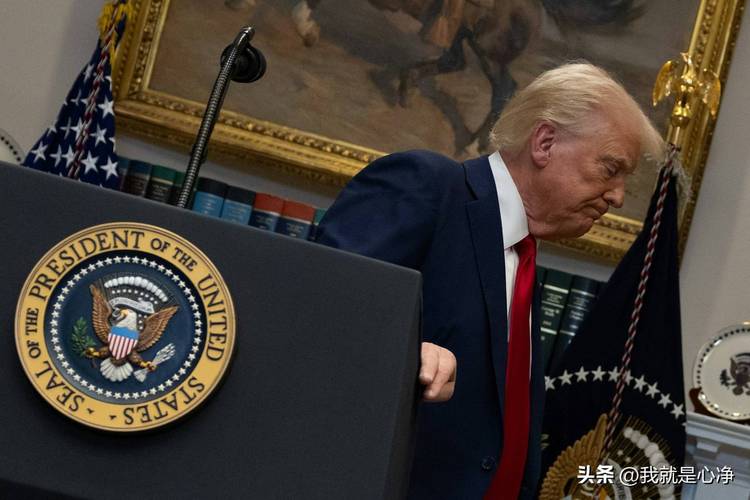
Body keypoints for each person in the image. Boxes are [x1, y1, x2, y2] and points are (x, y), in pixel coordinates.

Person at [316, 62, 663, 499]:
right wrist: (405, 350)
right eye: (610, 169)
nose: (617, 196)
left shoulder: (524, 258)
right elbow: (319, 308)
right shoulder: (427, 186)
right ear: (545, 142)